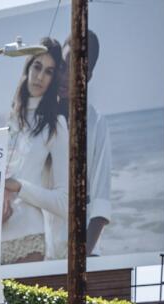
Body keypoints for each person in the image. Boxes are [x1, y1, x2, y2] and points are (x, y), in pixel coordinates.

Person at [1, 38, 69, 264]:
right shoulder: (1, 120)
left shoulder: (55, 124)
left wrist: (19, 187)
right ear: (28, 67)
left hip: (29, 238)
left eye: (48, 72)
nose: (40, 77)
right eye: (37, 67)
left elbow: (64, 202)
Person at [59, 31, 112, 254]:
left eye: (73, 66)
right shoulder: (38, 117)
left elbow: (100, 208)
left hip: (82, 258)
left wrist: (80, 260)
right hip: (36, 254)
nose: (63, 74)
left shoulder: (96, 123)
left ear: (87, 75)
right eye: (62, 64)